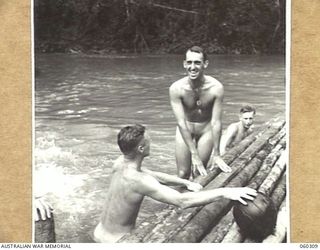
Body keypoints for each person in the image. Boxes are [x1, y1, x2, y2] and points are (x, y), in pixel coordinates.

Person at [93, 124, 257, 243]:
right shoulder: (140, 181)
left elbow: (153, 174)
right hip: (118, 242)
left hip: (98, 233)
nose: (152, 142)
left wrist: (184, 182)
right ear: (141, 149)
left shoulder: (120, 163)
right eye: (149, 140)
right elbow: (181, 201)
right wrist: (225, 192)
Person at [169, 46, 231, 179]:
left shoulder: (216, 88)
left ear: (205, 64)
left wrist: (217, 154)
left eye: (197, 62)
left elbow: (216, 122)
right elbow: (180, 122)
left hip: (206, 129)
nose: (192, 67)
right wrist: (194, 154)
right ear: (184, 64)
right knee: (182, 174)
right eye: (189, 62)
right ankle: (180, 199)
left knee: (199, 173)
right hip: (185, 128)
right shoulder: (176, 88)